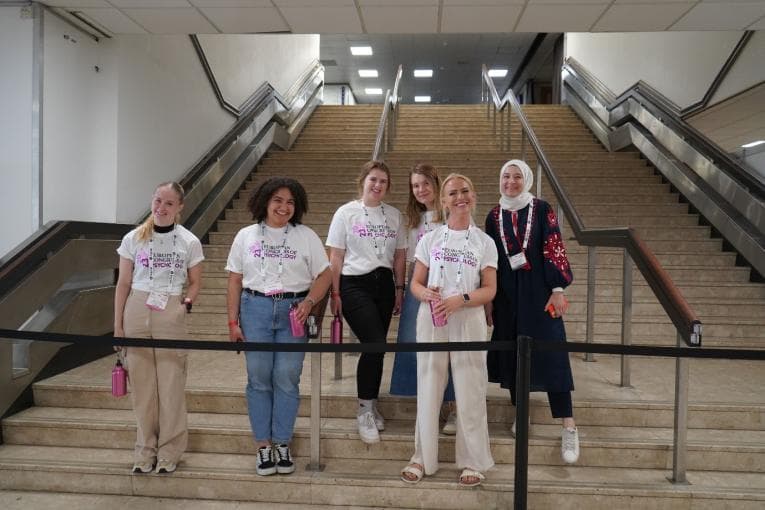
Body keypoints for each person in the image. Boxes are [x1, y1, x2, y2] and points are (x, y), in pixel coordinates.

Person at [226, 177, 331, 476]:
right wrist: (233, 321)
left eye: (290, 202)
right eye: (278, 200)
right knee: (258, 378)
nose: (284, 207)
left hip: (293, 311)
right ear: (264, 201)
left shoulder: (305, 235)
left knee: (287, 376)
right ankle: (263, 445)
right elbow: (234, 280)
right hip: (255, 308)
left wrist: (309, 302)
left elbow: (324, 275)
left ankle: (282, 442)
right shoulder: (246, 235)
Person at [400, 173, 498, 487]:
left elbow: (490, 290)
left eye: (465, 191)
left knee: (470, 388)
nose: (460, 198)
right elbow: (416, 282)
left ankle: (472, 461)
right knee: (428, 385)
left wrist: (463, 299)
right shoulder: (430, 239)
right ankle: (420, 457)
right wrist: (424, 293)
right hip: (433, 317)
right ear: (443, 201)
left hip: (468, 317)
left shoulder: (485, 242)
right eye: (453, 193)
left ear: (474, 195)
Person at [484, 159, 580, 465]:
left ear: (526, 179)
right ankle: (520, 413)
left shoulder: (541, 208)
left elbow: (553, 245)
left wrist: (557, 289)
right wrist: (489, 298)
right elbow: (490, 259)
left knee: (552, 354)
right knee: (514, 352)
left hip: (540, 291)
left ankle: (568, 424)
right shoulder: (493, 215)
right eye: (505, 176)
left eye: (516, 176)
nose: (510, 181)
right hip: (507, 295)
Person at [114, 181, 204, 475]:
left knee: (170, 385)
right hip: (137, 307)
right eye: (157, 201)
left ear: (179, 208)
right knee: (142, 387)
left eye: (168, 203)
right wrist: (118, 325)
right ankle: (145, 450)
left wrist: (186, 304)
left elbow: (195, 281)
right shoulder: (133, 239)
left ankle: (170, 451)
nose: (160, 208)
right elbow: (123, 283)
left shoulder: (189, 241)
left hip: (170, 305)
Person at [326, 160, 407, 444]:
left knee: (378, 348)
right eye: (373, 179)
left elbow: (399, 256)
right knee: (374, 342)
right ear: (363, 181)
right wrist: (334, 293)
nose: (377, 185)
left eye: (383, 181)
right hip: (353, 284)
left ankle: (371, 404)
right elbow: (335, 256)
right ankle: (363, 410)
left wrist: (399, 289)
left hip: (384, 283)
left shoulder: (394, 216)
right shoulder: (345, 213)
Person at [389, 163, 457, 434]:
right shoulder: (412, 220)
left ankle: (452, 406)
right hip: (419, 289)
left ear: (436, 183)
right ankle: (425, 403)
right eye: (415, 185)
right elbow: (407, 259)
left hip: (447, 289)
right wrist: (402, 290)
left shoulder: (452, 213)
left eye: (425, 184)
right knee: (413, 342)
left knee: (448, 347)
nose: (420, 190)